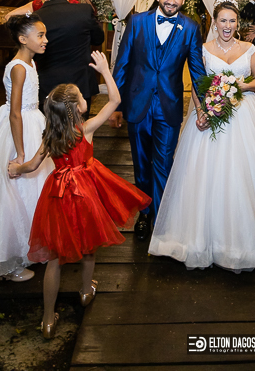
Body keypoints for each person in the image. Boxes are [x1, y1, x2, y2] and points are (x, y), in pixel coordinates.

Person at [8, 52, 151, 339]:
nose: (86, 98)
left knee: (54, 258)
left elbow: (33, 165)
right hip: (85, 192)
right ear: (76, 109)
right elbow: (114, 101)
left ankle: (48, 320)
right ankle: (86, 291)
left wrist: (16, 169)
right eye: (81, 97)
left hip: (58, 194)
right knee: (89, 246)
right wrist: (105, 71)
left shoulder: (50, 136)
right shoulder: (85, 130)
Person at [148, 0, 255, 272]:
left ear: (238, 23)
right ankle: (198, 240)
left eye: (232, 21)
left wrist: (240, 85)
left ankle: (245, 241)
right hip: (210, 110)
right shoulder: (202, 49)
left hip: (243, 113)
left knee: (243, 173)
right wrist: (200, 111)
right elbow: (197, 85)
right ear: (214, 22)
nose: (227, 25)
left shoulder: (249, 48)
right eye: (223, 20)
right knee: (204, 174)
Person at [109, 0, 207, 241]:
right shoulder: (137, 22)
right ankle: (145, 214)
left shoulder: (190, 27)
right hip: (137, 104)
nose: (171, 1)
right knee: (141, 164)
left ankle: (163, 220)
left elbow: (197, 71)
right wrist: (115, 105)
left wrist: (207, 106)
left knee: (163, 163)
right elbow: (122, 65)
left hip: (169, 106)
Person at [0, 15, 54, 282]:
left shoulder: (31, 63)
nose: (45, 40)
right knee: (16, 193)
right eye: (40, 35)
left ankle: (32, 246)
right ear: (22, 39)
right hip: (20, 131)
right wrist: (20, 153)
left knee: (36, 190)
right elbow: (15, 113)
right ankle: (11, 260)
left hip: (34, 122)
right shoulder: (18, 67)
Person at [35, 0, 104, 111]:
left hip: (48, 84)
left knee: (49, 123)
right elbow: (98, 39)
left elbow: (33, 53)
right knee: (80, 123)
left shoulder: (36, 17)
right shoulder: (84, 11)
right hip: (80, 82)